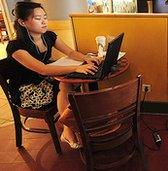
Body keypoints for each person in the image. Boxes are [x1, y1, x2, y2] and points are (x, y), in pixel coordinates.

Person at [6, 1, 102, 149]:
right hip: (27, 90)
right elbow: (43, 69)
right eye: (38, 18)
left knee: (68, 83)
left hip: (44, 79)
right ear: (22, 22)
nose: (44, 21)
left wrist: (85, 58)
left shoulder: (49, 36)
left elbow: (70, 52)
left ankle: (71, 127)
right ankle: (69, 129)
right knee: (66, 84)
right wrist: (76, 67)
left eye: (45, 17)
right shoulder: (16, 46)